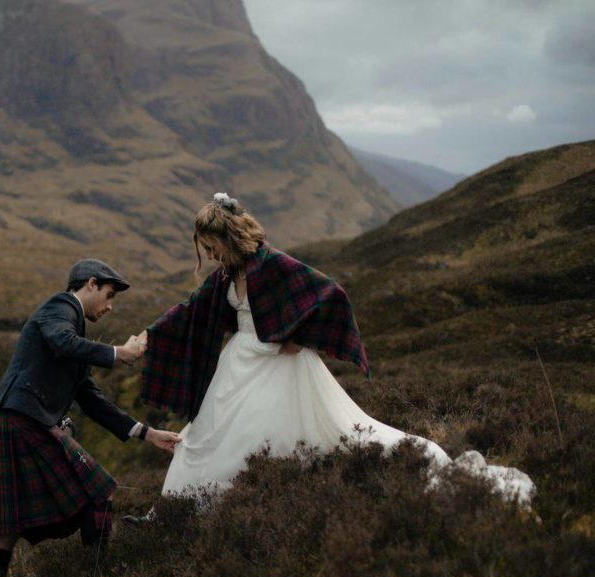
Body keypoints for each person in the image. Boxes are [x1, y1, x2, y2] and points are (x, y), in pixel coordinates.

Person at [127, 193, 532, 519]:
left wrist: (300, 338)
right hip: (239, 366)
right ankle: (179, 511)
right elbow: (190, 309)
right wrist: (148, 336)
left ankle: (260, 502)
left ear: (227, 237)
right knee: (205, 437)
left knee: (276, 434)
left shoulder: (270, 263)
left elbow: (329, 292)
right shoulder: (226, 276)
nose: (208, 252)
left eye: (210, 244)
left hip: (279, 364)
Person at [0, 259, 182, 577]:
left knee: (6, 528)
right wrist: (120, 353)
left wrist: (147, 434)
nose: (109, 306)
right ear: (90, 284)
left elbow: (93, 400)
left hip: (12, 420)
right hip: (23, 420)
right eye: (108, 295)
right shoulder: (61, 307)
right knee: (98, 493)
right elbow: (62, 341)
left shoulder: (73, 335)